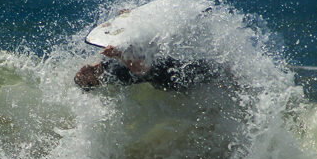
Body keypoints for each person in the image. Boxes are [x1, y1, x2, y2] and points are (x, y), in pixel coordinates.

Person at [74, 45, 218, 92]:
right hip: (171, 76)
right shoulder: (114, 75)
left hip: (167, 69)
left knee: (213, 73)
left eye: (78, 74)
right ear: (92, 81)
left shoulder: (103, 65)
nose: (80, 72)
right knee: (216, 70)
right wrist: (118, 54)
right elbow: (142, 70)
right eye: (81, 78)